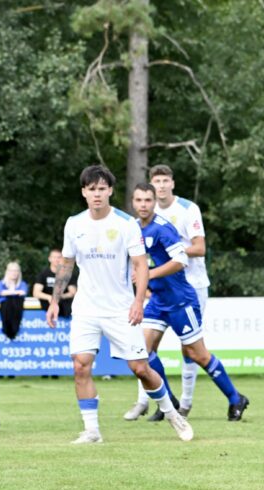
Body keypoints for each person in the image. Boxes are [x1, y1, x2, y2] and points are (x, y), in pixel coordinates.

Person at [46, 165, 193, 444]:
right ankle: (92, 431)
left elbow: (140, 264)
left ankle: (172, 413)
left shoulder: (126, 224)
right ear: (84, 193)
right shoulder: (73, 224)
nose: (97, 194)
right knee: (81, 365)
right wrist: (54, 301)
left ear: (110, 191)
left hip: (120, 309)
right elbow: (66, 264)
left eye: (102, 189)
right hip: (86, 308)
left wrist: (138, 302)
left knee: (140, 368)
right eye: (92, 189)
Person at [128, 183, 249, 420]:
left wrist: (148, 274)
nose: (143, 205)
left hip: (181, 300)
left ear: (154, 203)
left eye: (147, 200)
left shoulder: (163, 228)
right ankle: (169, 400)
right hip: (158, 300)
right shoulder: (131, 229)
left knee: (198, 355)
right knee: (143, 350)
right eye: (139, 200)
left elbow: (181, 260)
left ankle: (236, 398)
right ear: (133, 202)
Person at [146, 164, 209, 418]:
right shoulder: (146, 212)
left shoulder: (187, 209)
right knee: (146, 346)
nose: (161, 185)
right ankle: (161, 402)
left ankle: (185, 402)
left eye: (164, 180)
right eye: (156, 181)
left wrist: (170, 251)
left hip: (192, 284)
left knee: (190, 349)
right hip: (161, 288)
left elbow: (199, 247)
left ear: (172, 183)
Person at [32, 249, 77, 318]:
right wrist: (49, 297)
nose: (57, 259)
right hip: (45, 309)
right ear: (49, 259)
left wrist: (61, 296)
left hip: (66, 310)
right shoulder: (43, 274)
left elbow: (73, 292)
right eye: (54, 257)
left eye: (59, 257)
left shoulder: (68, 274)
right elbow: (36, 293)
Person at [0, 261, 28, 340]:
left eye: (16, 271)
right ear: (7, 272)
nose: (14, 273)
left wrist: (7, 293)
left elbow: (23, 292)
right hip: (5, 310)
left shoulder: (22, 284)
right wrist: (15, 293)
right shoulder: (0, 283)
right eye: (12, 270)